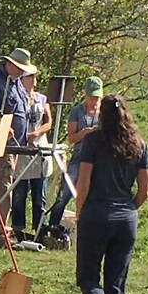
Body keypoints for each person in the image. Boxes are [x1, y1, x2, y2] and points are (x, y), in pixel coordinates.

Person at [75, 94, 148, 294]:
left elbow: (83, 183)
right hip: (125, 219)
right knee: (116, 282)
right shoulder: (139, 145)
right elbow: (145, 190)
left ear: (101, 116)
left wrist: (79, 212)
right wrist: (129, 209)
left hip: (97, 214)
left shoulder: (94, 141)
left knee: (88, 277)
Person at [0, 48, 36, 247]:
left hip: (13, 147)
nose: (21, 72)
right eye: (19, 68)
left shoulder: (16, 83)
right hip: (0, 146)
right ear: (9, 64)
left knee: (5, 187)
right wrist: (3, 128)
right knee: (1, 190)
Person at [49, 76, 103, 226]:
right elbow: (71, 138)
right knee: (65, 191)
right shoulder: (76, 112)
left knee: (95, 193)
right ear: (86, 95)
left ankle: (90, 225)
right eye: (92, 98)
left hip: (99, 158)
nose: (94, 102)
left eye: (97, 98)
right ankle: (53, 225)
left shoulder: (105, 112)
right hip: (79, 157)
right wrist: (85, 133)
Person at [11, 69, 53, 237]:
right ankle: (18, 227)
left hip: (39, 147)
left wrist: (36, 134)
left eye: (35, 77)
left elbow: (48, 121)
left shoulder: (41, 99)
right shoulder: (15, 99)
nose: (34, 80)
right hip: (20, 148)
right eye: (30, 76)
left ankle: (40, 228)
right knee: (19, 193)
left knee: (39, 193)